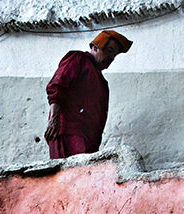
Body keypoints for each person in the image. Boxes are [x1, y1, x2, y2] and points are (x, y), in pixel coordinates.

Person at [44, 29, 133, 159]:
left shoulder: (102, 82)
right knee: (69, 175)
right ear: (95, 48)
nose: (111, 58)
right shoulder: (78, 59)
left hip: (89, 142)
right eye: (109, 51)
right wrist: (54, 119)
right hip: (70, 134)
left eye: (114, 55)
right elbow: (57, 85)